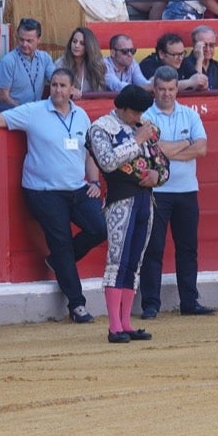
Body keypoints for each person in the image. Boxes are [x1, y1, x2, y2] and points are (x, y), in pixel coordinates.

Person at [0, 68, 107, 324]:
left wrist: (94, 180)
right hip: (43, 191)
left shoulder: (81, 115)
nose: (57, 90)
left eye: (62, 86)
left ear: (72, 90)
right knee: (61, 243)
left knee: (99, 229)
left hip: (77, 188)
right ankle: (77, 305)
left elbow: (88, 152)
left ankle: (58, 261)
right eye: (54, 85)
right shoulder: (34, 111)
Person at [86, 84, 170, 343]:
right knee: (117, 261)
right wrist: (137, 141)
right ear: (121, 108)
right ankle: (114, 326)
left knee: (133, 263)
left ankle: (126, 322)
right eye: (134, 113)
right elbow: (108, 162)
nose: (138, 117)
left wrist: (158, 176)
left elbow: (162, 163)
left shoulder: (143, 126)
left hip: (146, 199)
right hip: (120, 201)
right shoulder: (100, 128)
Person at [139, 66, 216, 319]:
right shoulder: (146, 117)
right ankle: (151, 303)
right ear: (154, 88)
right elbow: (154, 149)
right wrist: (185, 144)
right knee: (153, 248)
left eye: (171, 89)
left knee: (188, 248)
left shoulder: (189, 115)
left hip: (186, 190)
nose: (167, 94)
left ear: (176, 89)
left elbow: (202, 149)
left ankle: (189, 301)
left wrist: (168, 150)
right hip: (157, 191)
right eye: (161, 89)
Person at [0, 17, 55, 107]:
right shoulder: (8, 62)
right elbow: (3, 96)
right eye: (21, 39)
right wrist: (23, 112)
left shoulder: (45, 58)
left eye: (29, 41)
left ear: (39, 39)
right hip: (13, 113)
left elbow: (56, 78)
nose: (24, 44)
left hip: (35, 112)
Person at [140, 32, 209, 91]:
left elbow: (197, 79)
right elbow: (156, 85)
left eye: (182, 53)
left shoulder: (183, 61)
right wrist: (189, 82)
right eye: (175, 54)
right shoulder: (148, 64)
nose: (180, 58)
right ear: (162, 54)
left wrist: (202, 82)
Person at [179, 25, 218, 91]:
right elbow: (196, 89)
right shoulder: (182, 64)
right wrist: (199, 60)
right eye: (204, 45)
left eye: (211, 45)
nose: (208, 49)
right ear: (194, 44)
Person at [56, 26, 108, 98]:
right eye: (74, 41)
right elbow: (57, 89)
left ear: (89, 46)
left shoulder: (97, 65)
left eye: (82, 43)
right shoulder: (61, 64)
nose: (76, 45)